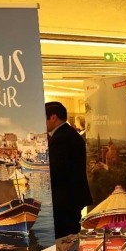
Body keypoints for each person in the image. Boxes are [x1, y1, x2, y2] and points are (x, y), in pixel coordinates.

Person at [45, 101, 93, 239]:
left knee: (66, 240)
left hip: (65, 200)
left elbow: (56, 170)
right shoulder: (67, 134)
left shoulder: (62, 138)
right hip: (70, 198)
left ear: (53, 117)